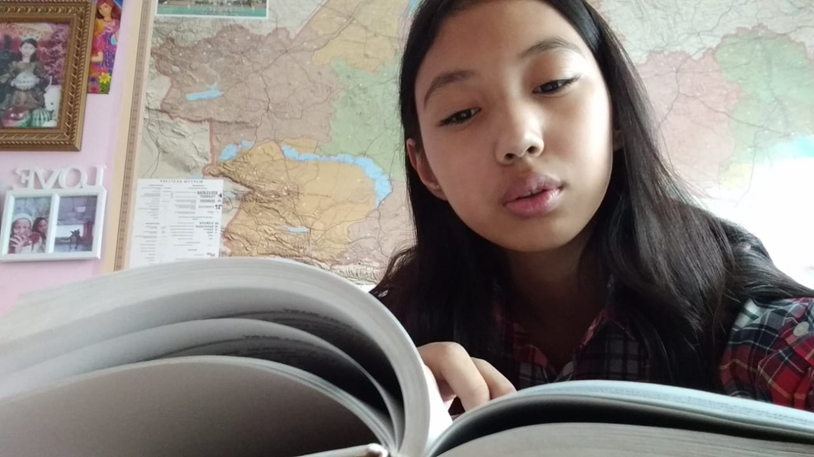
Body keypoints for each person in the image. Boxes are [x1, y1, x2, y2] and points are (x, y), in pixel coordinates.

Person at [371, 0, 814, 414]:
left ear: (616, 113)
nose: (518, 140)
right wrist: (378, 402)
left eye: (552, 84)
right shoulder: (381, 336)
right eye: (462, 113)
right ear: (425, 168)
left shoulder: (740, 315)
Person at [0, 38, 48, 115]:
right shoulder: (14, 63)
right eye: (25, 47)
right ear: (20, 48)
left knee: (33, 110)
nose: (27, 50)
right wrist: (11, 82)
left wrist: (39, 80)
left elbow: (42, 76)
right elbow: (7, 74)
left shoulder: (36, 64)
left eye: (31, 48)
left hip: (32, 92)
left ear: (35, 49)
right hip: (16, 92)